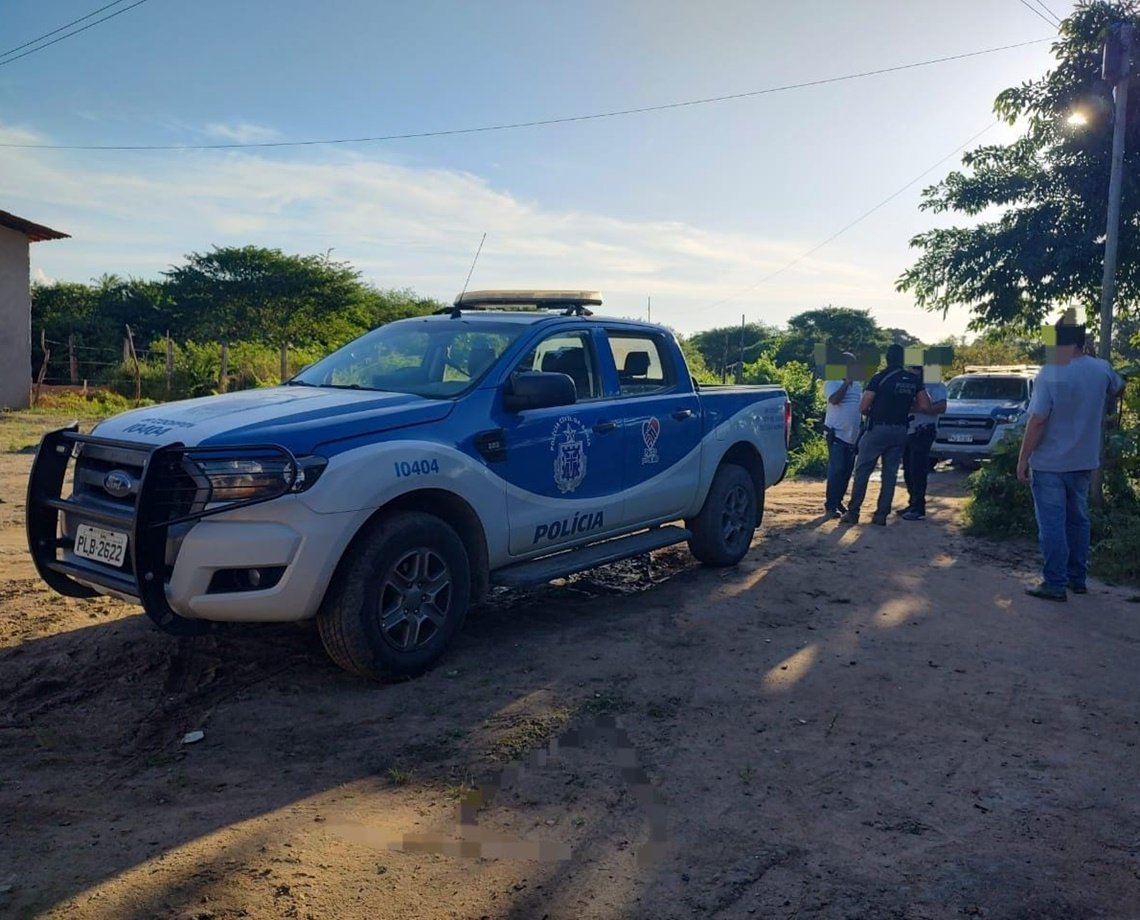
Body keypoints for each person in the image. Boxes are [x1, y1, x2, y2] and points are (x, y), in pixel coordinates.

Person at [1016, 323, 1125, 601]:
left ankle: (1054, 582)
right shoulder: (1100, 368)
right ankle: (1078, 578)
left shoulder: (1050, 371)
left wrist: (1023, 458)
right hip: (1084, 459)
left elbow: (1038, 419)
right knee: (1078, 520)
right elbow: (1118, 387)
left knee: (1052, 523)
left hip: (1050, 461)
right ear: (1082, 341)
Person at [840, 344, 931, 526]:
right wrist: (905, 407)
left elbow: (863, 407)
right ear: (903, 360)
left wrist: (878, 412)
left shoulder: (879, 378)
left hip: (877, 430)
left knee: (863, 471)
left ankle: (853, 513)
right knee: (889, 474)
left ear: (887, 359)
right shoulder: (913, 380)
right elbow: (925, 405)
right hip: (900, 431)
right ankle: (881, 515)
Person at [898, 365, 948, 520]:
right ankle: (912, 502)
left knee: (917, 469)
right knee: (908, 468)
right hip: (909, 430)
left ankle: (919, 508)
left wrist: (920, 408)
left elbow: (941, 406)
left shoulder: (935, 385)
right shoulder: (911, 385)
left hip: (924, 430)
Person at [822, 352, 862, 517]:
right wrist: (846, 384)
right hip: (836, 434)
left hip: (853, 436)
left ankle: (838, 501)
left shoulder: (858, 385)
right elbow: (834, 400)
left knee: (846, 471)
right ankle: (830, 505)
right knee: (837, 469)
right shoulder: (832, 381)